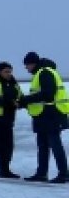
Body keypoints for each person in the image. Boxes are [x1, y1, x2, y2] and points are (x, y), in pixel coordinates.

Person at [16, 51, 69, 183]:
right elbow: (41, 97)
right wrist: (23, 103)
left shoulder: (45, 72)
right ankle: (41, 173)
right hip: (44, 115)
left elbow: (47, 95)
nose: (26, 68)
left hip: (52, 114)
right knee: (43, 145)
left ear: (32, 63)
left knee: (54, 144)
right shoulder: (42, 73)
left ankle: (64, 174)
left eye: (27, 65)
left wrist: (25, 100)